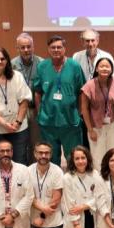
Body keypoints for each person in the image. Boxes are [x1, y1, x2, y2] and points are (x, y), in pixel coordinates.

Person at [33, 35, 85, 166]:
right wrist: (39, 112)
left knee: (74, 157)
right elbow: (37, 92)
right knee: (51, 158)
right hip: (48, 121)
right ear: (48, 49)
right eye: (53, 47)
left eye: (59, 47)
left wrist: (79, 113)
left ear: (64, 49)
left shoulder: (74, 66)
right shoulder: (42, 67)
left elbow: (81, 92)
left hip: (70, 121)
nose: (56, 50)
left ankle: (73, 184)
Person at [0, 47, 32, 164]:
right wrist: (4, 124)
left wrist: (18, 122)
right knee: (3, 161)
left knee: (20, 161)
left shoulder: (17, 76)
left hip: (18, 128)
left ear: (7, 60)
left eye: (2, 59)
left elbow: (24, 100)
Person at [81, 57, 114, 164]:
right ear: (96, 69)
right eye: (102, 66)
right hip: (95, 126)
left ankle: (111, 177)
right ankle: (99, 179)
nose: (105, 68)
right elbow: (84, 109)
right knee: (97, 156)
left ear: (112, 69)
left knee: (113, 154)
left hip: (113, 125)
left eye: (107, 66)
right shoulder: (89, 85)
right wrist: (90, 129)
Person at [11, 32, 44, 162]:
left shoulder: (41, 63)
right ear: (17, 48)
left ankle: (34, 170)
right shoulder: (11, 64)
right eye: (22, 47)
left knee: (35, 142)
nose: (26, 50)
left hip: (35, 108)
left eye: (29, 46)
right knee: (19, 142)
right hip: (18, 109)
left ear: (33, 47)